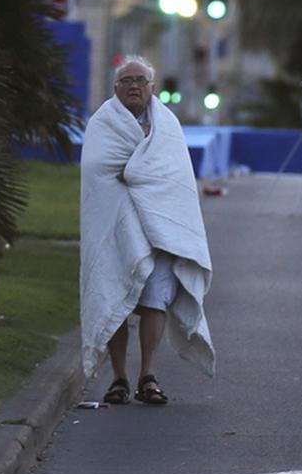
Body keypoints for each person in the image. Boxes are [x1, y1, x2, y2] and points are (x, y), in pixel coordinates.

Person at [79, 56, 215, 406]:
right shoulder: (103, 123)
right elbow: (98, 168)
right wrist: (134, 171)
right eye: (126, 81)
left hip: (160, 230)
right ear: (115, 88)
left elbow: (174, 177)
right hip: (114, 226)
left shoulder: (167, 126)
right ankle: (120, 378)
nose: (134, 86)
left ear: (153, 87)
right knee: (115, 295)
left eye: (141, 80)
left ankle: (148, 375)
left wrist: (137, 172)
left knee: (156, 299)